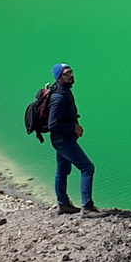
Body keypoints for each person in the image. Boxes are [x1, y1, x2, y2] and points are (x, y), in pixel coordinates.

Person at [48, 63, 100, 216]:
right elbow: (53, 124)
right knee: (87, 168)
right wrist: (73, 127)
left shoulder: (63, 90)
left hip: (62, 140)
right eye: (66, 74)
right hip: (63, 141)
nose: (71, 75)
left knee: (63, 170)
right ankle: (87, 208)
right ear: (59, 77)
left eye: (71, 72)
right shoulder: (58, 97)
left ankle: (63, 204)